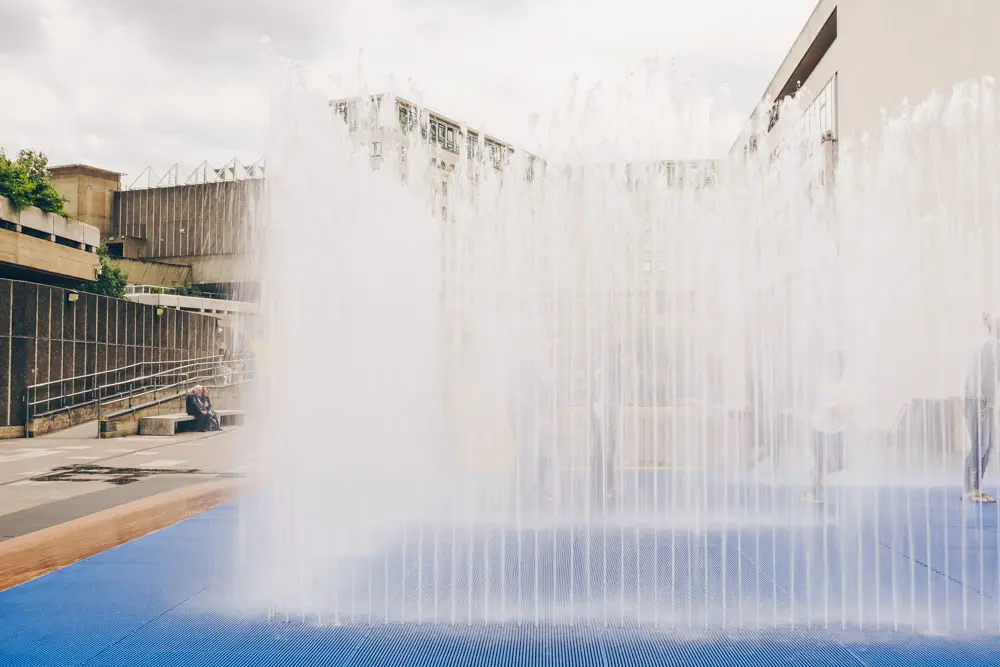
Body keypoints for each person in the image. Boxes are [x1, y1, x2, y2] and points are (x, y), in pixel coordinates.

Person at [963, 313, 1000, 503]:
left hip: (987, 400)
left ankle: (976, 487)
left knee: (990, 445)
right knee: (981, 444)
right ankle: (970, 489)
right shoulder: (990, 345)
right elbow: (986, 376)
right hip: (977, 400)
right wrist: (988, 402)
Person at [807, 350, 848, 504]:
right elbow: (836, 409)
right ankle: (812, 492)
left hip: (835, 430)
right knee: (821, 464)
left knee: (840, 463)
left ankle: (813, 479)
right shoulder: (826, 387)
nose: (838, 371)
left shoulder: (838, 386)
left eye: (840, 367)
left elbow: (841, 407)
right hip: (820, 430)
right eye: (834, 367)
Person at [590, 341, 622, 504]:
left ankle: (607, 485)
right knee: (600, 451)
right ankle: (599, 485)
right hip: (599, 412)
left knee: (608, 450)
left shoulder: (611, 373)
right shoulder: (598, 373)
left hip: (606, 412)